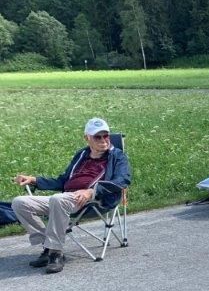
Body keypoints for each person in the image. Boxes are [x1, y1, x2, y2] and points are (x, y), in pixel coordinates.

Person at [11, 117, 131, 273]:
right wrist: (34, 180)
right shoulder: (82, 155)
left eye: (106, 135)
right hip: (66, 198)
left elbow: (122, 180)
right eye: (98, 137)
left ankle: (56, 253)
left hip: (94, 200)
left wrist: (91, 191)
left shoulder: (117, 156)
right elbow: (63, 181)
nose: (103, 140)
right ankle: (48, 246)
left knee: (58, 199)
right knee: (19, 202)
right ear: (87, 138)